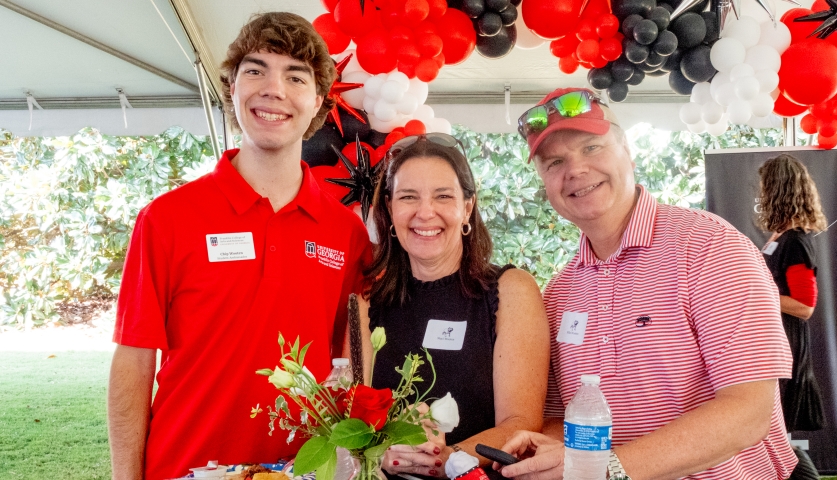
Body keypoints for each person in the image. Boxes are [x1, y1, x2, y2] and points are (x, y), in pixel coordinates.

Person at [107, 13, 372, 480]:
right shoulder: (166, 218)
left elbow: (351, 363)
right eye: (256, 70)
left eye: (296, 76)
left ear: (317, 103)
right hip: (183, 467)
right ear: (232, 88)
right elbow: (133, 363)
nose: (274, 89)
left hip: (303, 471)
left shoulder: (345, 233)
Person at [495, 87, 798, 480]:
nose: (575, 170)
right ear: (545, 184)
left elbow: (748, 411)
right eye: (554, 162)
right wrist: (550, 453)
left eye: (591, 148)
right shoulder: (558, 293)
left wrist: (611, 469)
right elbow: (557, 417)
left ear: (628, 152)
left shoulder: (709, 248)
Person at [356, 133, 550, 478]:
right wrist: (382, 452)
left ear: (467, 208)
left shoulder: (511, 291)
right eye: (408, 197)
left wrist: (449, 458)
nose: (425, 212)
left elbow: (521, 422)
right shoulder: (366, 302)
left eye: (443, 196)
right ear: (389, 209)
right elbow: (353, 423)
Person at [758, 154, 828, 480]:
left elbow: (805, 306)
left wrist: (755, 292)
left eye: (764, 187)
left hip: (785, 345)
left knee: (776, 432)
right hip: (772, 340)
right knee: (772, 430)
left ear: (778, 190)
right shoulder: (779, 237)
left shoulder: (796, 241)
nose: (759, 195)